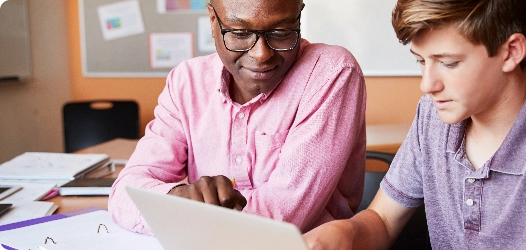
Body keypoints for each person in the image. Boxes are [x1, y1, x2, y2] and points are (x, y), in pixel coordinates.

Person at [304, 0, 526, 249]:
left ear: (511, 52)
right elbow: (382, 219)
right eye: (421, 61)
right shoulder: (433, 117)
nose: (427, 84)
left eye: (448, 63)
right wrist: (346, 234)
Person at [109, 0, 367, 235]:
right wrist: (179, 197)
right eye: (240, 33)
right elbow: (124, 193)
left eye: (281, 33)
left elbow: (278, 220)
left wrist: (178, 215)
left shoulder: (332, 72)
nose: (261, 54)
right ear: (213, 21)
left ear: (299, 16)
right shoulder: (187, 82)